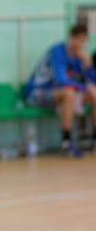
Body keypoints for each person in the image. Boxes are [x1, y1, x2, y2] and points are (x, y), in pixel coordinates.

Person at [25, 23, 96, 157]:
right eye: (78, 39)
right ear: (70, 37)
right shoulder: (57, 52)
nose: (80, 44)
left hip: (60, 95)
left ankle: (94, 141)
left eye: (83, 41)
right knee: (69, 93)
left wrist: (88, 65)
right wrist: (85, 87)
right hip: (37, 93)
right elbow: (61, 81)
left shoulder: (79, 57)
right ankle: (66, 143)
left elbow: (92, 82)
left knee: (94, 93)